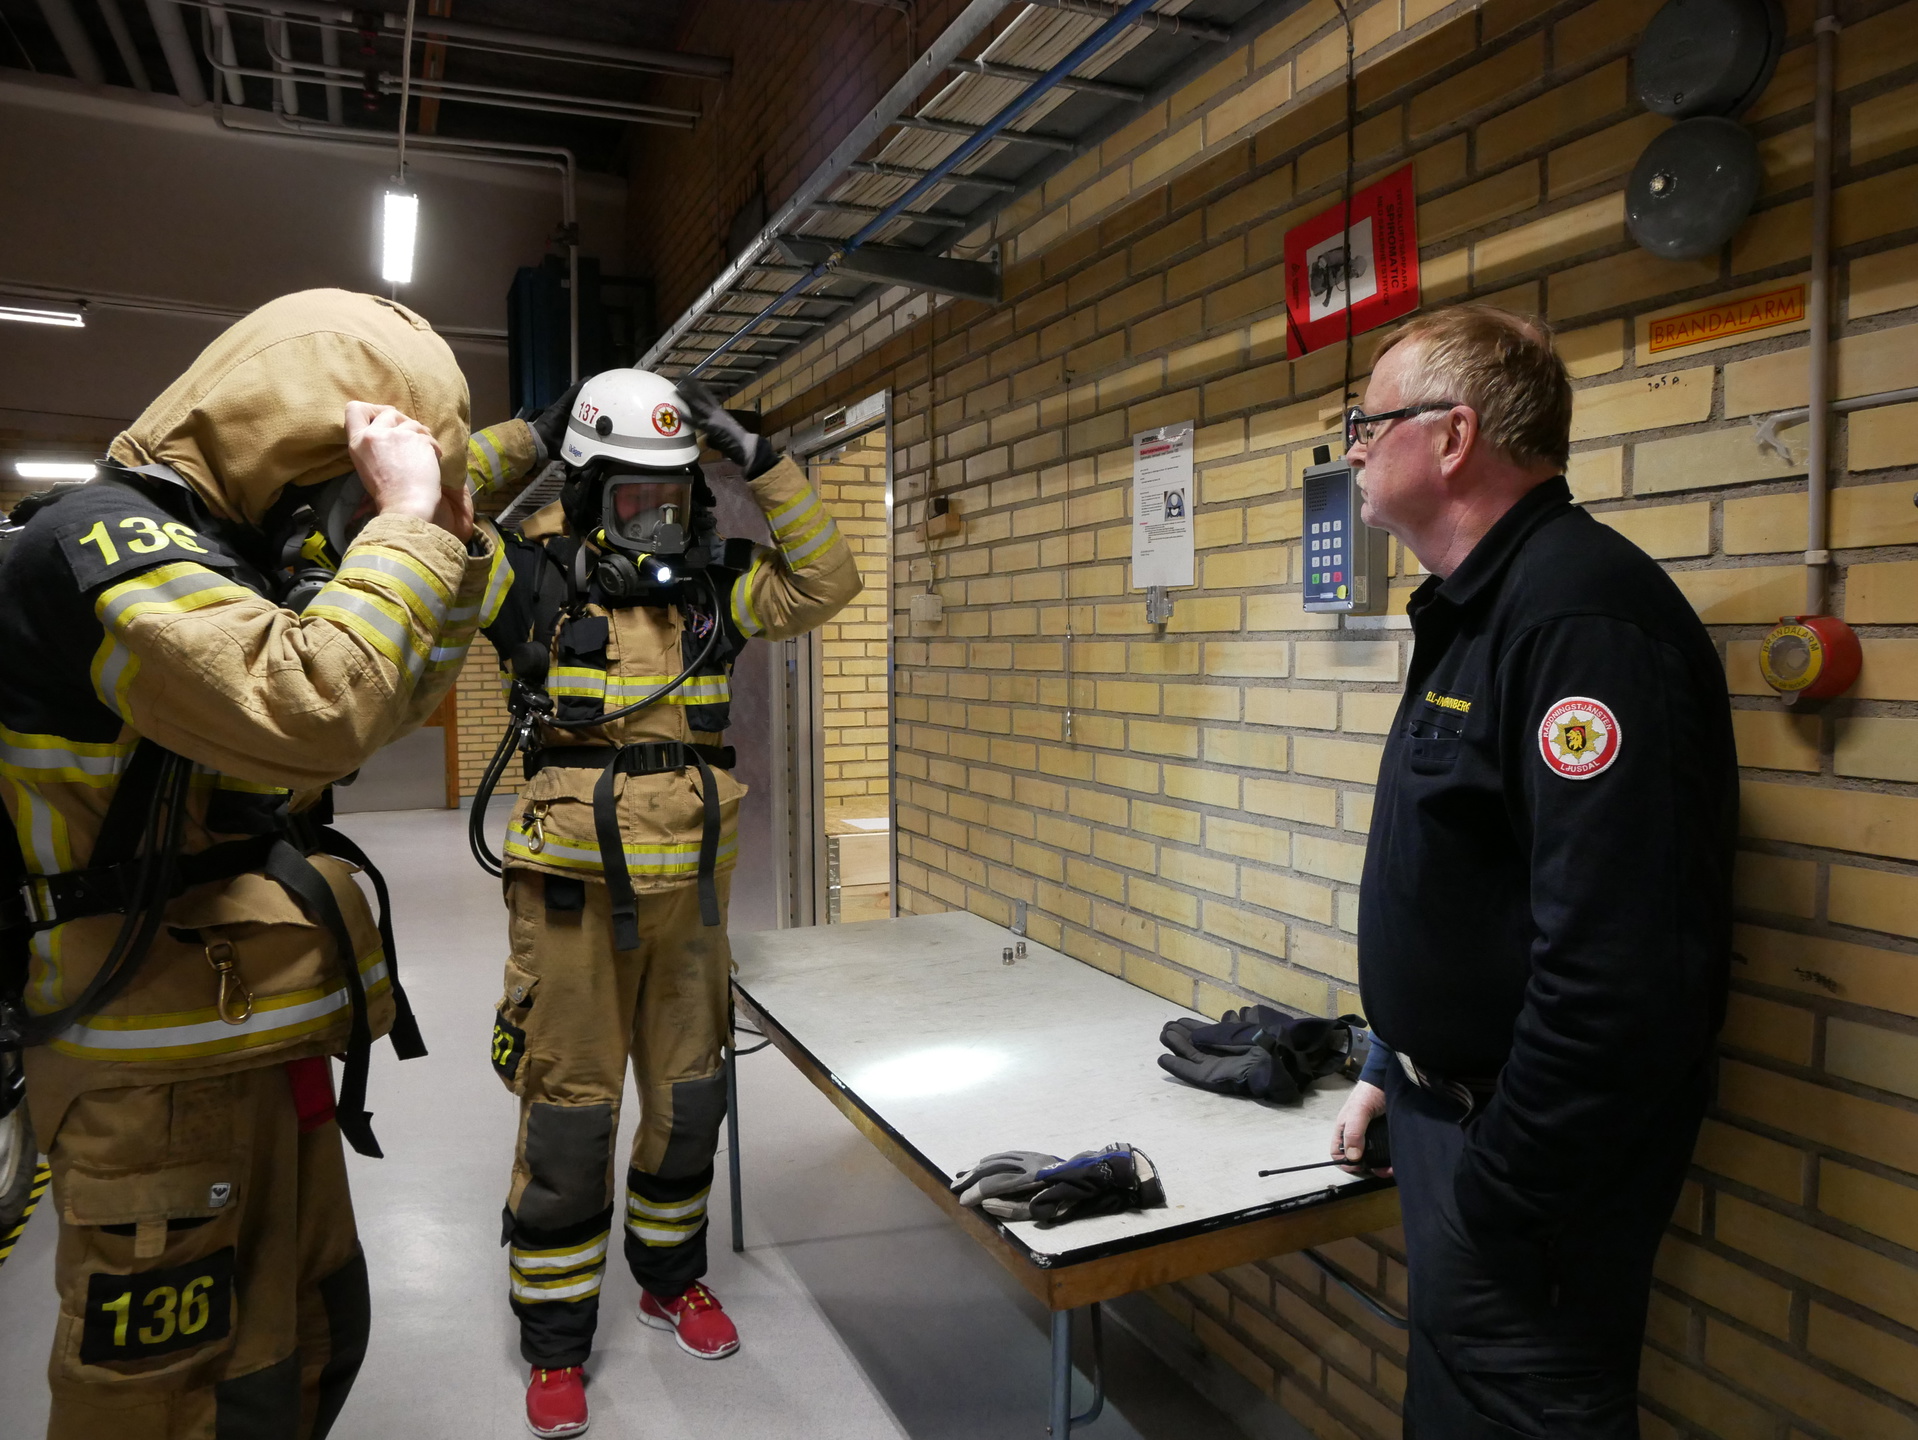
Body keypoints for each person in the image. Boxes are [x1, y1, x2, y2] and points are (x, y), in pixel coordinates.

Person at [0, 289, 513, 1437]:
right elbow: (318, 712)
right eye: (346, 498)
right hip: (150, 1084)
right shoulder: (100, 545)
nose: (345, 530)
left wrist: (453, 549)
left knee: (303, 1343)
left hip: (253, 1039)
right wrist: (407, 528)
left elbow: (371, 710)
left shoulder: (226, 567)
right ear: (287, 457)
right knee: (165, 1398)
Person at [1326, 305, 1736, 1438]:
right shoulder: (1477, 606)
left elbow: (1617, 972)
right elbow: (1467, 877)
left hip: (1524, 1170)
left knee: (1523, 1409)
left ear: (1451, 438)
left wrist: (1501, 1193)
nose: (1352, 446)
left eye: (1369, 421)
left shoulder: (1579, 621)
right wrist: (1390, 1062)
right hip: (1449, 1121)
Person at [463, 368, 861, 1438]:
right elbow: (414, 515)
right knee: (569, 1117)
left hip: (691, 900)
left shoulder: (715, 593)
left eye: (676, 498)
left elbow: (827, 582)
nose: (661, 520)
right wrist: (528, 437)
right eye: (637, 499)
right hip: (571, 910)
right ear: (589, 492)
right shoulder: (526, 580)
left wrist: (763, 459)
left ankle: (669, 1276)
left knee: (690, 1108)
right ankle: (555, 1344)